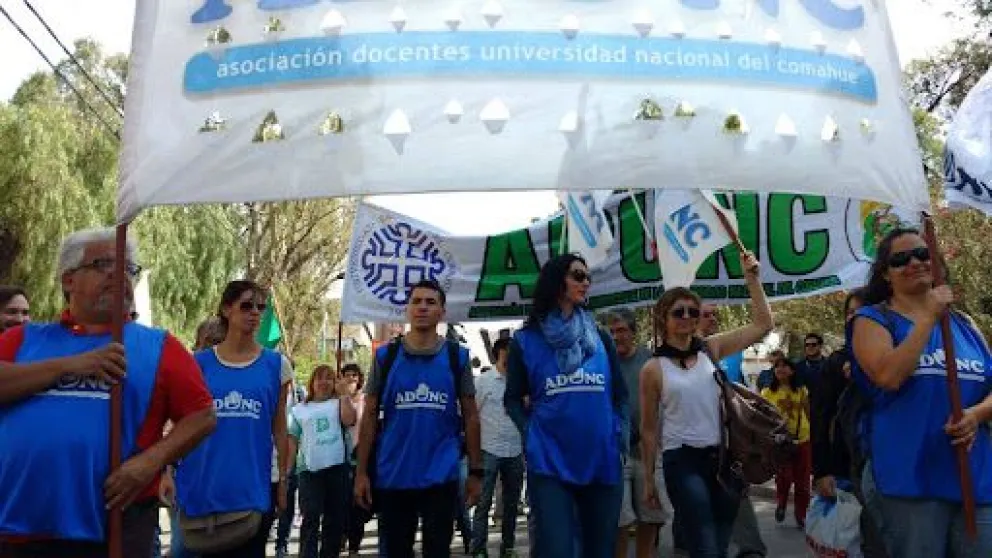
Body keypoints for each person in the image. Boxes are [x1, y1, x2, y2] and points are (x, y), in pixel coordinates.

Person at [0, 227, 216, 558]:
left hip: (116, 526)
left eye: (129, 268)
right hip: (17, 528)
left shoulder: (161, 346)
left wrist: (149, 463)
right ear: (68, 279)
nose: (119, 275)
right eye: (103, 264)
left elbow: (202, 416)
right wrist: (71, 365)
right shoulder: (23, 339)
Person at [850, 228, 992, 557]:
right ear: (885, 273)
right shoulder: (872, 320)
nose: (915, 262)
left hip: (976, 480)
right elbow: (888, 375)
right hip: (911, 482)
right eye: (900, 259)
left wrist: (976, 415)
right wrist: (928, 316)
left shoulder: (965, 325)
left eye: (922, 254)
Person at [639, 250, 773, 558]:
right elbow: (648, 430)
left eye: (692, 311)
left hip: (724, 459)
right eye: (679, 312)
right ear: (664, 318)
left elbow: (763, 324)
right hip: (682, 461)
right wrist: (649, 481)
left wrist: (752, 279)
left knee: (721, 543)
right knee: (705, 543)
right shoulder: (653, 369)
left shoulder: (711, 349)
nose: (687, 317)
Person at [504, 253, 629, 558]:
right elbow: (512, 399)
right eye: (578, 276)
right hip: (549, 462)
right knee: (559, 550)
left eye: (588, 277)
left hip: (602, 458)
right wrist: (529, 433)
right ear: (556, 282)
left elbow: (621, 395)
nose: (586, 282)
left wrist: (620, 435)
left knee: (600, 551)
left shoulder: (600, 336)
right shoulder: (525, 340)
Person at [353, 279, 482, 558]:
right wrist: (361, 472)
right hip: (394, 476)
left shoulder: (456, 357)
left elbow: (471, 417)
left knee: (437, 551)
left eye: (430, 302)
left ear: (442, 312)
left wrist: (475, 471)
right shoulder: (385, 357)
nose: (422, 307)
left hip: (442, 476)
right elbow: (370, 416)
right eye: (416, 301)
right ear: (407, 309)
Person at [175, 280, 293, 558]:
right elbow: (181, 424)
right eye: (246, 305)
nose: (255, 313)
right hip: (201, 494)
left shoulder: (277, 366)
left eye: (260, 307)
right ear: (227, 309)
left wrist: (284, 483)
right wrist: (168, 473)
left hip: (252, 494)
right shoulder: (197, 364)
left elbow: (279, 430)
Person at [810, 288, 888, 558]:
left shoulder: (897, 358)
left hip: (893, 469)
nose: (855, 318)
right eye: (850, 313)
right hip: (847, 470)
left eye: (862, 311)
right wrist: (821, 471)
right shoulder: (835, 364)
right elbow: (820, 419)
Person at [604, 307, 671, 558]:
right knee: (619, 520)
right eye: (611, 332)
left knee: (649, 516)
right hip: (615, 452)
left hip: (648, 451)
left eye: (621, 330)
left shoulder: (651, 360)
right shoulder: (603, 362)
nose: (616, 336)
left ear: (633, 332)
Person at [289, 364, 357, 558]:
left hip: (338, 469)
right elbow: (292, 440)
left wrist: (344, 395)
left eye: (329, 378)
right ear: (312, 383)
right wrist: (287, 471)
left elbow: (349, 420)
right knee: (310, 518)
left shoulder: (340, 402)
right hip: (309, 471)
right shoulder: (299, 409)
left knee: (334, 521)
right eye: (319, 378)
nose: (324, 382)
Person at [470, 337, 525, 558]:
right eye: (507, 351)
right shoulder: (483, 381)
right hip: (488, 448)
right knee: (483, 503)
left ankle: (508, 547)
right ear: (498, 353)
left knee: (511, 504)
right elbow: (473, 414)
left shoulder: (521, 381)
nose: (511, 355)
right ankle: (479, 548)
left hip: (515, 449)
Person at [760, 358, 811, 529]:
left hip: (802, 439)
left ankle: (801, 514)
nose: (780, 369)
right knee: (784, 477)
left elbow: (808, 411)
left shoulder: (801, 390)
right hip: (780, 442)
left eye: (784, 366)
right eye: (777, 366)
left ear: (792, 370)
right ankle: (781, 504)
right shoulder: (767, 392)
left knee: (803, 482)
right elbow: (762, 417)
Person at [341, 362, 369, 558]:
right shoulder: (336, 400)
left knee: (358, 506)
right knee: (340, 504)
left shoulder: (366, 400)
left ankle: (354, 547)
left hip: (360, 458)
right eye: (347, 375)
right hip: (338, 459)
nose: (351, 378)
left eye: (354, 375)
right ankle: (342, 536)